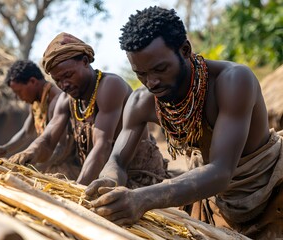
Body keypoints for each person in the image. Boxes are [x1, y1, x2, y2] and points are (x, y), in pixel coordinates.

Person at [85, 6, 283, 239]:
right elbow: (117, 158)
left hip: (271, 193)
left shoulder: (233, 81)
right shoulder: (141, 101)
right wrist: (110, 179)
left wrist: (142, 198)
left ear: (185, 50)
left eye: (160, 69)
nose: (152, 82)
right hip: (214, 200)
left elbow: (221, 171)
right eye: (140, 74)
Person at [8, 32, 170, 186]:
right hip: (100, 174)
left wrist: (78, 192)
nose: (64, 84)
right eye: (58, 80)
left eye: (68, 75)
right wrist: (29, 152)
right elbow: (49, 139)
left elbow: (102, 145)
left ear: (85, 62)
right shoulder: (67, 99)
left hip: (138, 176)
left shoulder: (110, 86)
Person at [0, 60, 80, 180]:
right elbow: (25, 132)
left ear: (33, 81)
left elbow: (61, 148)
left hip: (68, 171)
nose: (19, 97)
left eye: (19, 92)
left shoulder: (57, 101)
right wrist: (5, 148)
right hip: (50, 165)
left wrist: (35, 169)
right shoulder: (37, 103)